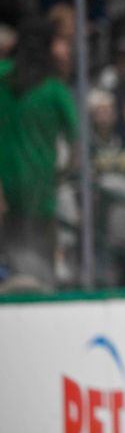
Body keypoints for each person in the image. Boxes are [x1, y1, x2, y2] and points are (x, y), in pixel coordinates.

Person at [0, 17, 78, 287]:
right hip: (40, 189)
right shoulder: (54, 88)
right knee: (41, 264)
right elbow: (77, 140)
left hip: (4, 189)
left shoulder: (1, 75)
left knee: (9, 257)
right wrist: (62, 175)